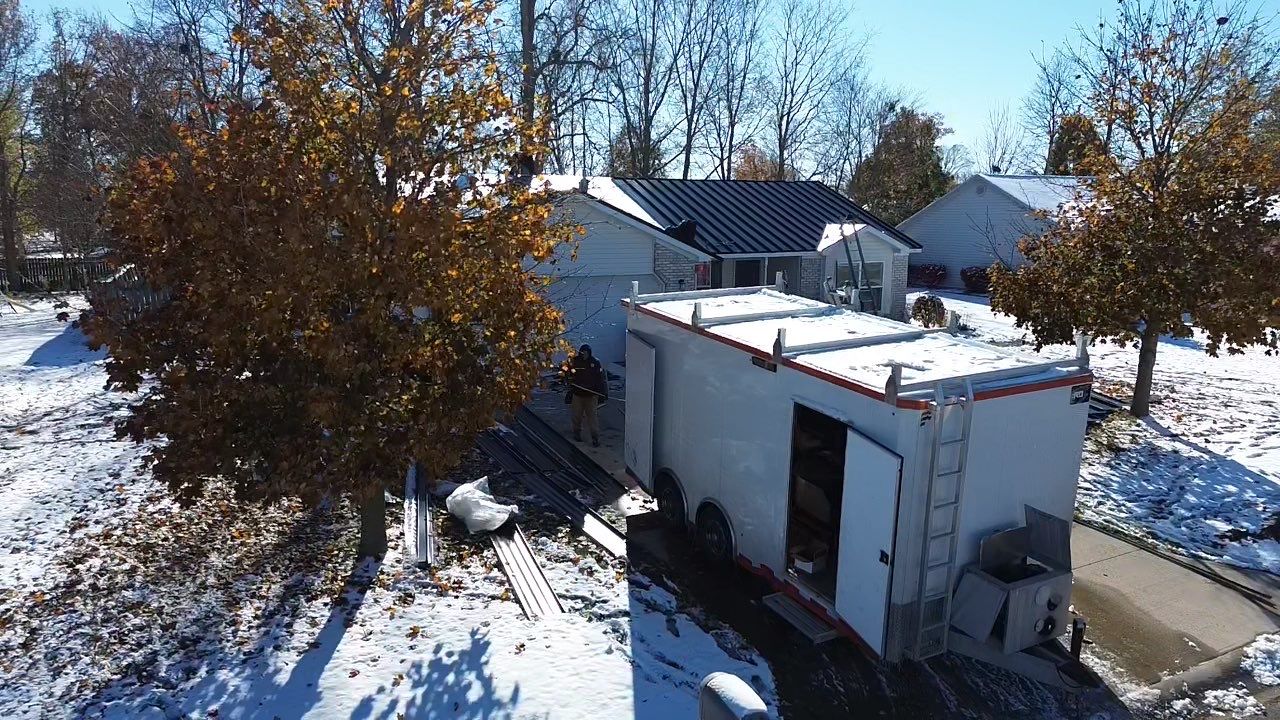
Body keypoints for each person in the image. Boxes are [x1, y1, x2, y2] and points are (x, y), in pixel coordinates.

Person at [562, 344, 607, 447]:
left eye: (586, 353)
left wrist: (602, 393)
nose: (584, 355)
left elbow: (600, 379)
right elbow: (566, 372)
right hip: (578, 394)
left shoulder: (595, 363)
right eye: (582, 353)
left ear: (589, 353)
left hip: (591, 395)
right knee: (576, 415)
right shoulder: (575, 361)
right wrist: (567, 380)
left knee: (592, 417)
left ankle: (595, 437)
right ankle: (576, 433)